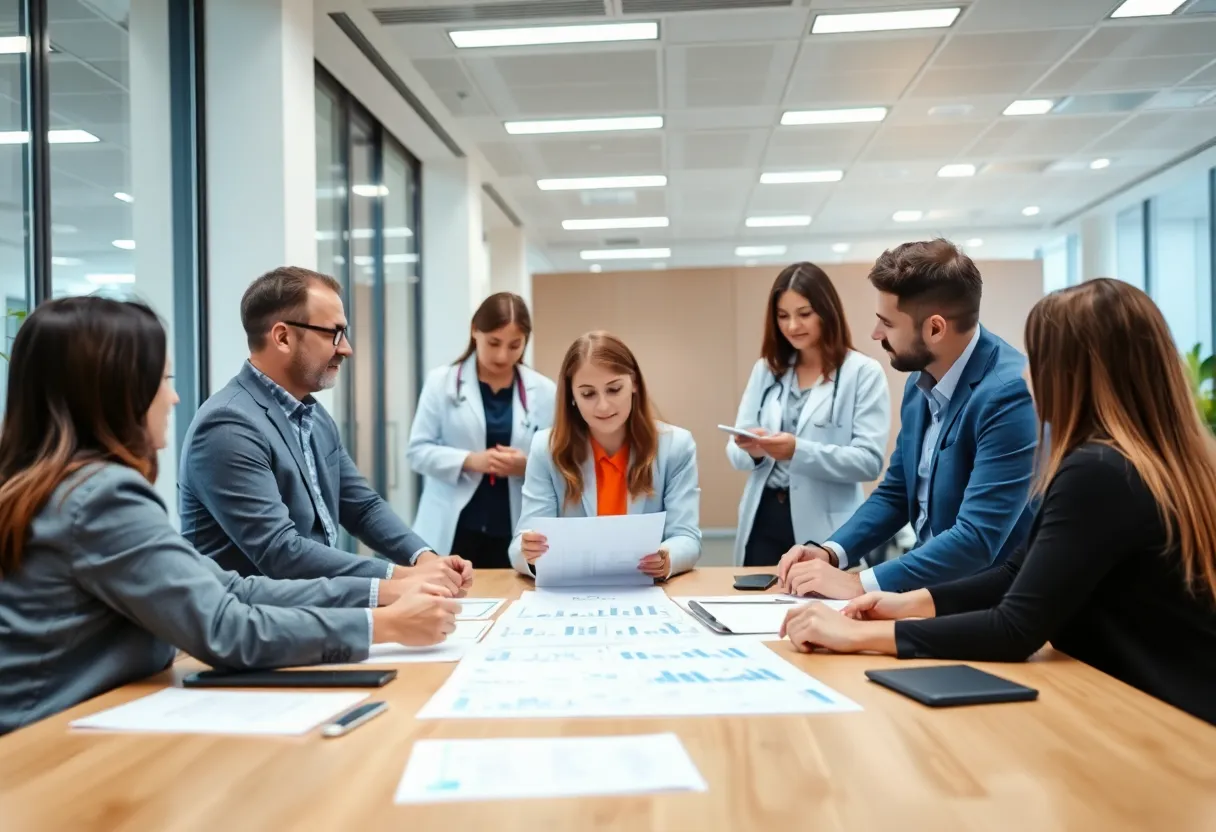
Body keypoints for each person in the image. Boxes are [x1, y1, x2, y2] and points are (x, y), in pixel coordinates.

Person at [0, 297, 460, 735]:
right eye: (162, 380)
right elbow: (225, 626)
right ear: (114, 393)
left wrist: (383, 592)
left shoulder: (63, 488)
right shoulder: (99, 497)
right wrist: (388, 624)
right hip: (46, 742)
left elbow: (233, 588)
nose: (174, 398)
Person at [780, 279, 1216, 726]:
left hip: (1165, 719)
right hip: (1153, 700)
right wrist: (911, 602)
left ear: (1072, 374)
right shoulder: (1133, 460)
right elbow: (1017, 573)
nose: (1027, 376)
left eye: (1039, 361)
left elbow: (1015, 629)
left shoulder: (1099, 472)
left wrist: (859, 634)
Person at [179, 266, 471, 592]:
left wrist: (424, 559)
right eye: (334, 333)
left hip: (309, 615)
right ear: (283, 337)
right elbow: (281, 553)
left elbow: (362, 507)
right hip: (250, 630)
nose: (345, 348)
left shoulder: (312, 415)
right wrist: (400, 577)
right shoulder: (228, 426)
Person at [777, 239, 1037, 599]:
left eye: (887, 322)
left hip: (990, 604)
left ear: (934, 328)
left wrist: (857, 583)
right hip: (931, 595)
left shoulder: (1009, 394)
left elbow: (978, 538)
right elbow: (898, 491)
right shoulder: (921, 380)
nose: (876, 334)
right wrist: (830, 553)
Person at [728, 262, 890, 566]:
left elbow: (868, 463)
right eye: (783, 316)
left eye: (804, 314)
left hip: (826, 527)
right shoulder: (767, 369)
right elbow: (736, 454)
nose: (792, 326)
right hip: (763, 517)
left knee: (821, 606)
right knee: (754, 607)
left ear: (826, 312)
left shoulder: (862, 373)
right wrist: (755, 452)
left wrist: (797, 451)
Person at [509, 332, 701, 579]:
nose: (603, 406)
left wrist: (666, 557)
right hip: (572, 592)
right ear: (572, 397)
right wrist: (530, 553)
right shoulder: (547, 448)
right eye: (588, 394)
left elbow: (687, 538)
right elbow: (519, 547)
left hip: (647, 591)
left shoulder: (675, 446)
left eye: (614, 389)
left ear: (634, 384)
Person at [408, 293, 556, 569]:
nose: (503, 355)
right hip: (455, 527)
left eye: (515, 345)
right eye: (494, 343)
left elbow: (558, 460)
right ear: (475, 330)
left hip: (515, 529)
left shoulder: (545, 391)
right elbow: (417, 452)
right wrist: (469, 460)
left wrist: (526, 465)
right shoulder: (442, 383)